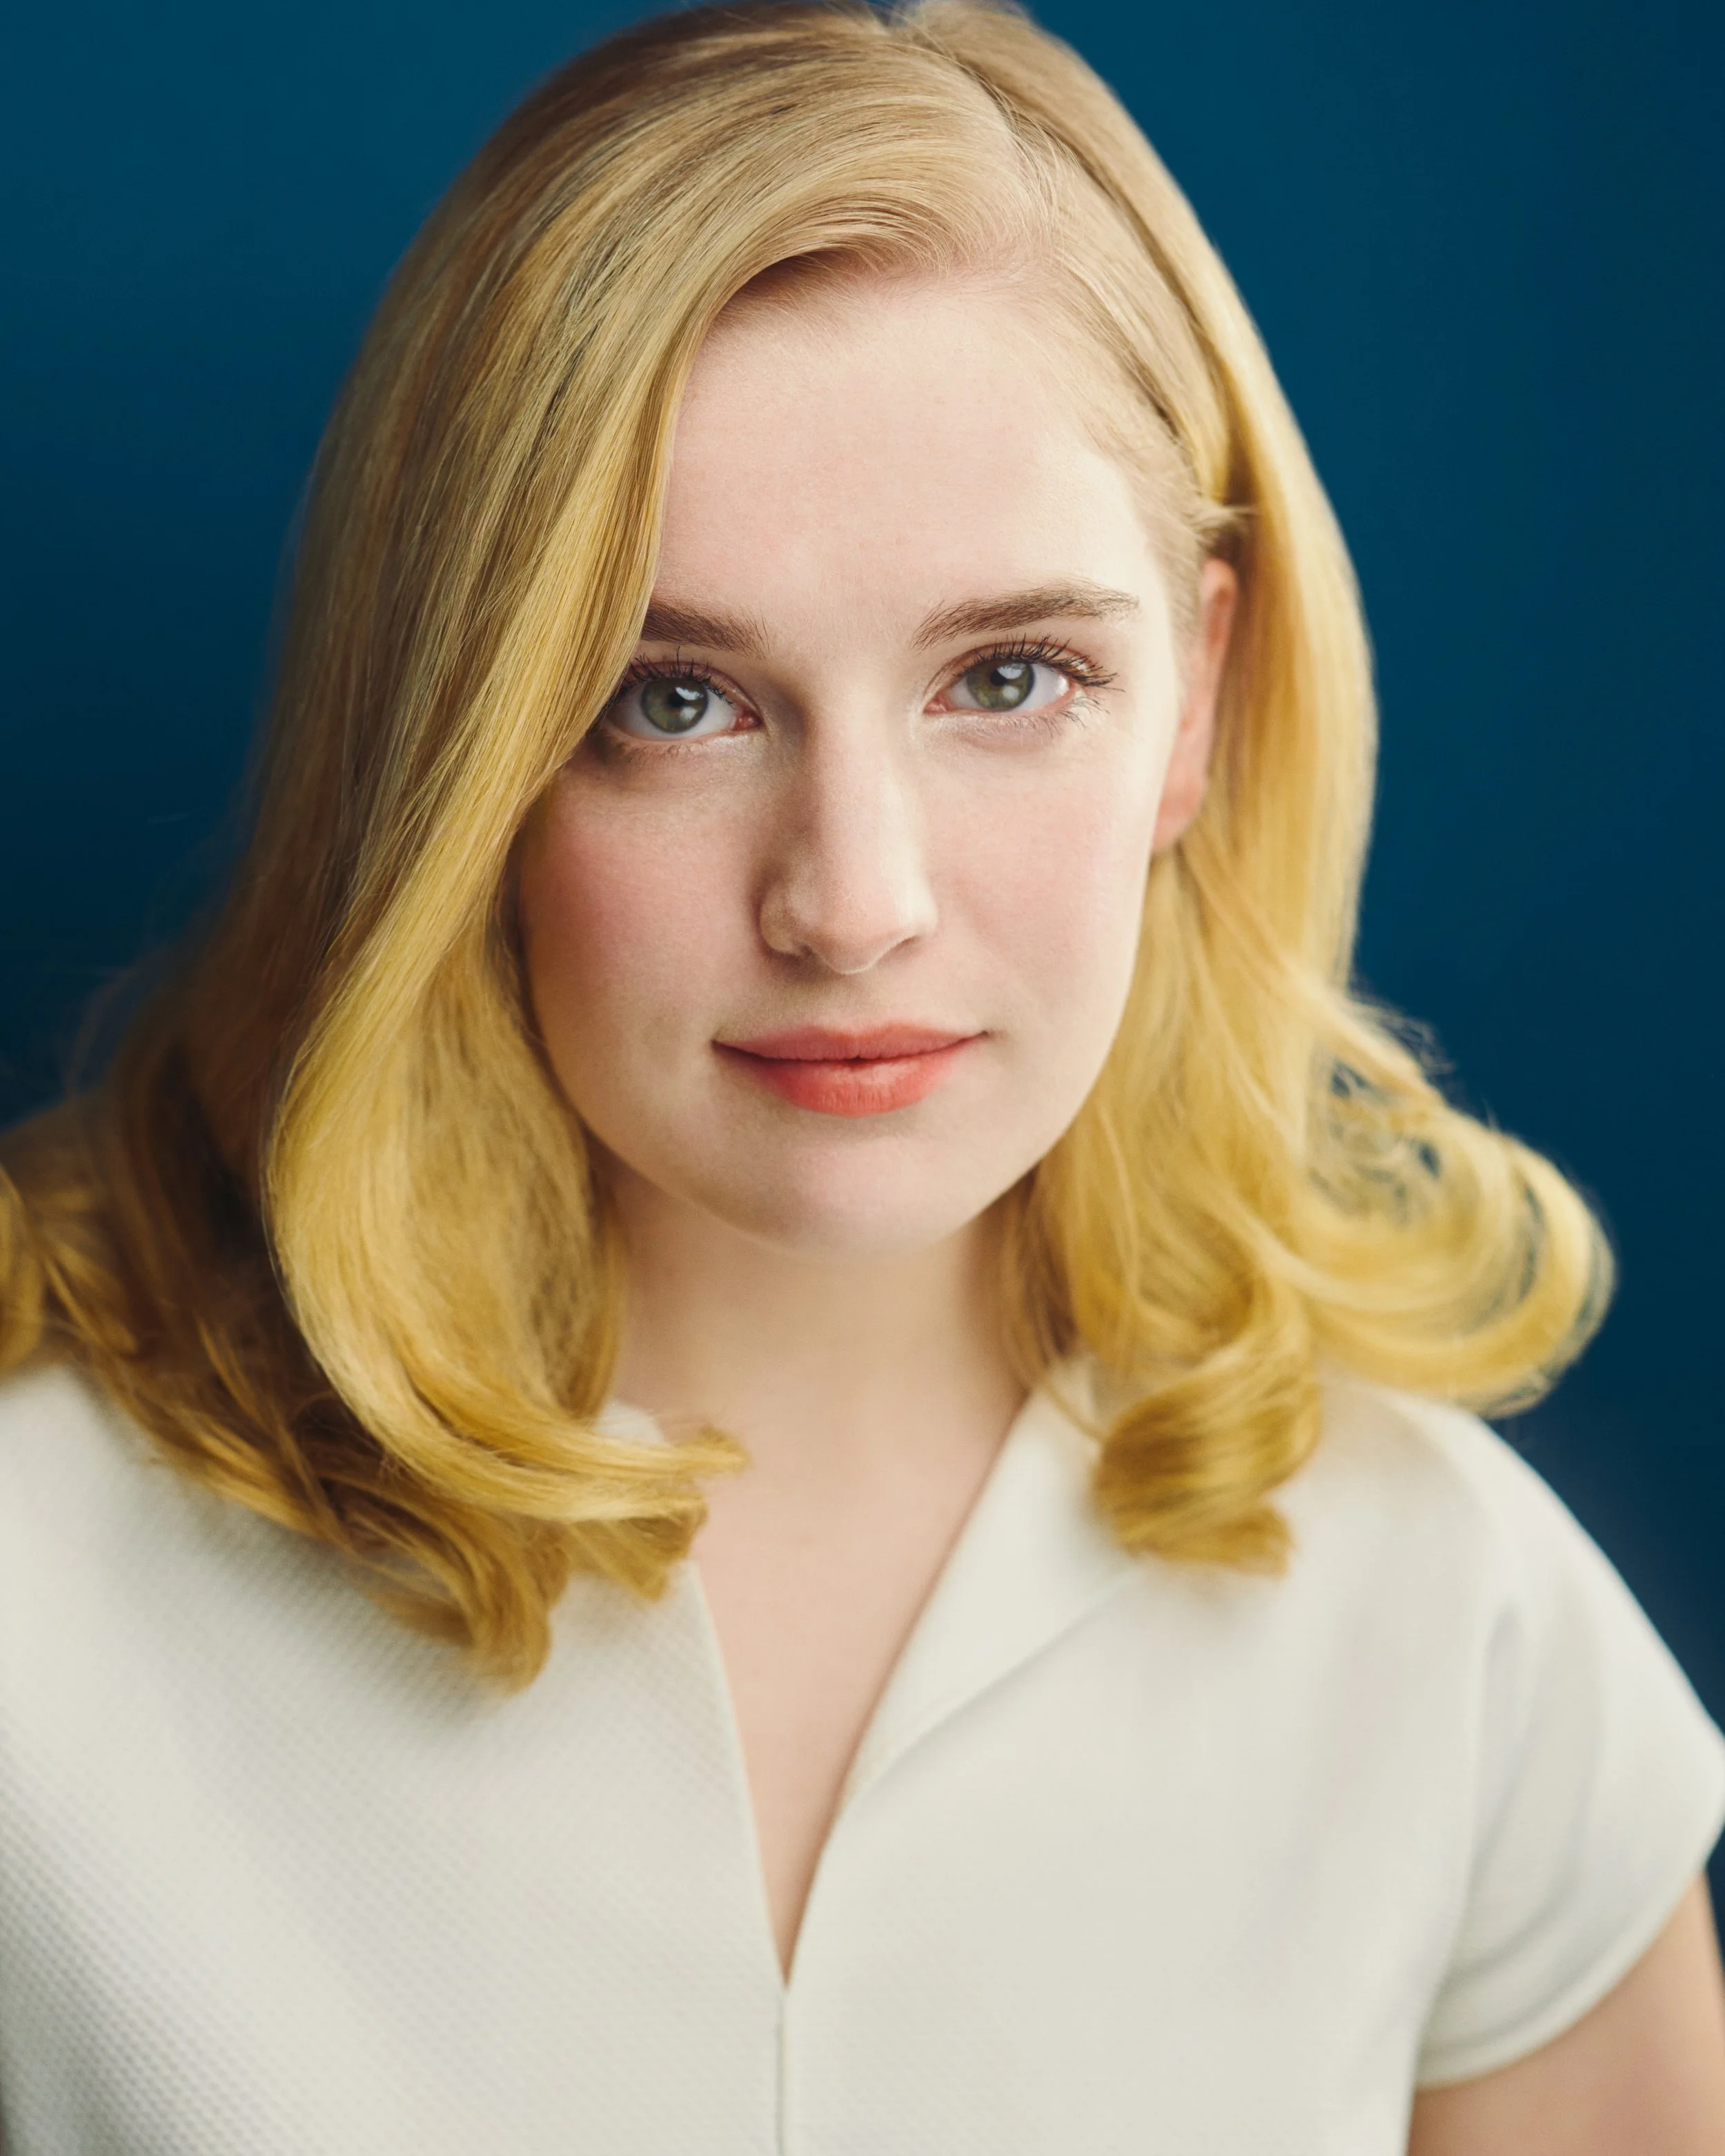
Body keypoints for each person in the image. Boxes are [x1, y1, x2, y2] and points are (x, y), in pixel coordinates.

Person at [0, 1, 1720, 2148]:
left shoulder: (1460, 1639)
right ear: (454, 731)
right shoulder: (34, 1579)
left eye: (1009, 677)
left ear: (1196, 698)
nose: (853, 901)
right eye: (672, 699)